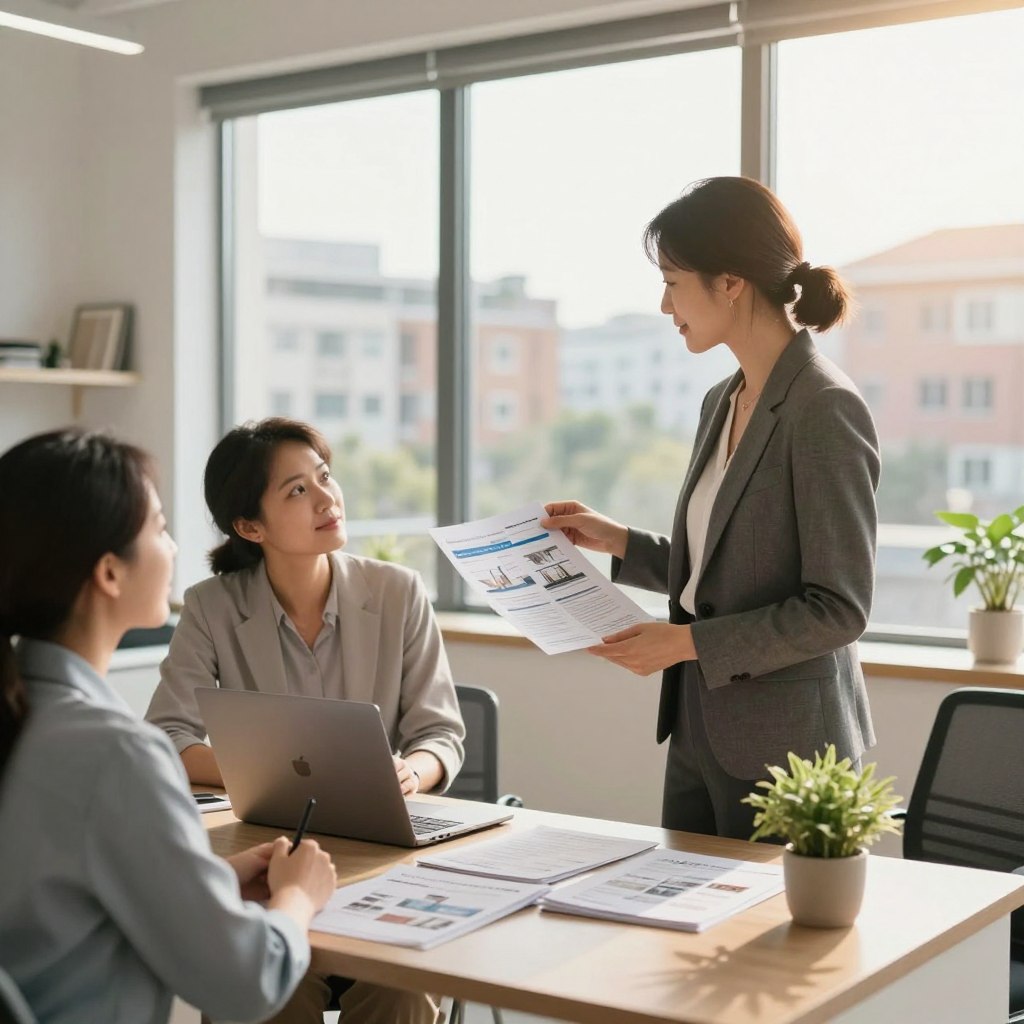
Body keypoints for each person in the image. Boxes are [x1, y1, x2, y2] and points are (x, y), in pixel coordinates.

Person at [543, 176, 880, 841]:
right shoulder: (721, 401)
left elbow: (839, 607)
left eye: (672, 280)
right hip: (698, 724)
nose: (665, 304)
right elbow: (724, 571)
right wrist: (616, 540)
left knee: (761, 944)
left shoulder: (823, 409)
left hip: (788, 749)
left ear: (729, 282)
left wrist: (686, 641)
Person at [0, 428, 337, 1024]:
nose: (175, 546)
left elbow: (60, 900)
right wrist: (297, 897)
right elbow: (246, 983)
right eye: (158, 527)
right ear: (109, 573)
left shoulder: (28, 718)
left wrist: (202, 878)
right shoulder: (117, 754)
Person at [146, 416, 463, 1024]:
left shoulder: (399, 592)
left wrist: (410, 773)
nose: (326, 498)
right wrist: (259, 774)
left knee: (399, 990)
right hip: (270, 858)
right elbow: (168, 735)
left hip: (383, 858)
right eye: (297, 490)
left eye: (324, 477)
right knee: (271, 990)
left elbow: (439, 735)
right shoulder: (212, 607)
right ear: (249, 526)